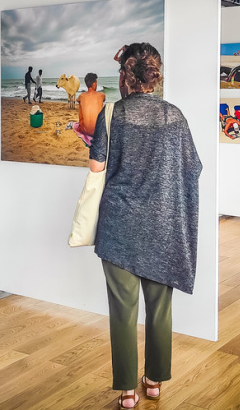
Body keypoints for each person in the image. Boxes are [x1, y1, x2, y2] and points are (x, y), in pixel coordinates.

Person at [89, 43, 202, 409]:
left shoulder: (111, 115)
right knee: (160, 307)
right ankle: (153, 381)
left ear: (125, 76)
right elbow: (193, 168)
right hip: (163, 225)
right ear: (155, 75)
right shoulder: (175, 116)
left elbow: (96, 170)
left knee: (123, 310)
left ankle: (126, 391)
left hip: (119, 224)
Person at [67, 72, 106, 146]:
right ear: (94, 83)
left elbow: (77, 100)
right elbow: (104, 99)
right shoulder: (101, 95)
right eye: (96, 82)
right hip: (99, 131)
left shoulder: (81, 96)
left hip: (85, 130)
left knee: (81, 106)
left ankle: (86, 124)